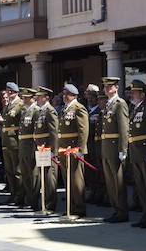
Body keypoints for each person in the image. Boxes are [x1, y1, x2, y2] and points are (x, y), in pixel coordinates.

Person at [57, 84, 90, 218]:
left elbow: (83, 130)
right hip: (64, 149)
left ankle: (79, 208)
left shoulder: (79, 108)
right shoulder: (65, 109)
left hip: (74, 149)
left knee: (76, 181)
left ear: (74, 95)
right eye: (64, 94)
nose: (65, 96)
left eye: (67, 94)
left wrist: (81, 149)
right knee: (67, 180)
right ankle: (71, 207)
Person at [128, 80, 146, 229]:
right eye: (131, 92)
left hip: (145, 151)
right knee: (140, 186)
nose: (132, 94)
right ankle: (145, 214)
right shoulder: (134, 108)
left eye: (134, 92)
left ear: (143, 95)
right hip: (135, 151)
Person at [100, 77, 130, 223]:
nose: (107, 88)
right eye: (105, 86)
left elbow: (124, 128)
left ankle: (122, 211)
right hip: (106, 147)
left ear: (116, 87)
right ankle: (116, 209)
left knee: (117, 180)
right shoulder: (108, 104)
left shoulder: (120, 104)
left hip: (114, 146)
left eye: (110, 86)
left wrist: (123, 149)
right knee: (110, 181)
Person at [32, 87, 58, 211]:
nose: (37, 98)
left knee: (49, 178)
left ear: (46, 97)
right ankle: (44, 203)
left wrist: (54, 150)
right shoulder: (39, 111)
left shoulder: (50, 111)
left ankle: (50, 204)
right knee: (43, 176)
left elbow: (53, 132)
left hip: (47, 148)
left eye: (40, 96)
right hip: (40, 148)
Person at [0, 82, 23, 205]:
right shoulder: (9, 105)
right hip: (6, 140)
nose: (7, 94)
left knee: (17, 171)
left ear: (13, 92)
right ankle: (13, 194)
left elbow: (11, 118)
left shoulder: (19, 104)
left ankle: (19, 195)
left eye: (9, 91)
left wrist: (2, 119)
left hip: (14, 140)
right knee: (10, 171)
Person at [16, 88, 39, 209]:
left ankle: (34, 200)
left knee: (33, 175)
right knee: (25, 174)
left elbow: (37, 131)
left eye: (26, 97)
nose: (24, 99)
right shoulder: (25, 111)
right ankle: (28, 198)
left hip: (31, 146)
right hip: (23, 145)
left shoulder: (36, 111)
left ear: (32, 98)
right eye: (23, 97)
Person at [84, 84, 106, 206]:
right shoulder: (86, 110)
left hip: (98, 144)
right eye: (88, 96)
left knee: (99, 170)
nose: (90, 100)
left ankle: (101, 194)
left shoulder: (100, 111)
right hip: (89, 144)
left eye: (92, 97)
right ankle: (93, 191)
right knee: (90, 171)